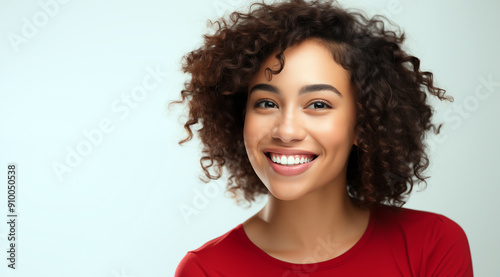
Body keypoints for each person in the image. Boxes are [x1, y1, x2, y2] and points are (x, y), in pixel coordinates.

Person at [172, 0, 473, 275]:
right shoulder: (206, 270)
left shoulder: (432, 245)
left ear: (361, 124)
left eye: (318, 105)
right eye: (266, 103)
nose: (286, 131)